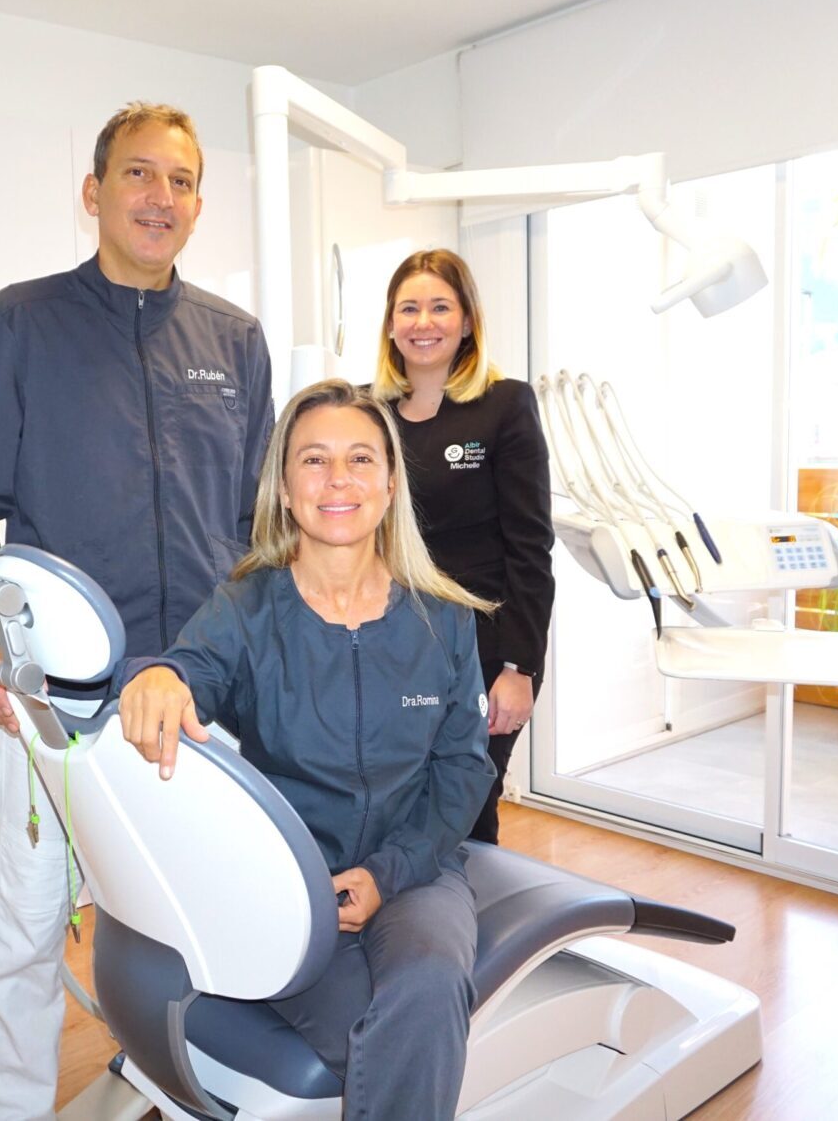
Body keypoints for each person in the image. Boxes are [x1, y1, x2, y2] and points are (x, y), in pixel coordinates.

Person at [0, 102, 274, 1121]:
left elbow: (259, 529)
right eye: (138, 173)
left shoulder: (234, 340)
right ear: (94, 192)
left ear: (198, 205)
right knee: (27, 933)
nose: (159, 197)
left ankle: (195, 1090)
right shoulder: (19, 324)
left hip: (201, 694)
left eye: (180, 181)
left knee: (210, 922)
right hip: (57, 705)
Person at [119, 379, 495, 1119]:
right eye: (315, 460)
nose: (338, 480)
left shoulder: (443, 618)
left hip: (416, 871)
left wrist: (388, 873)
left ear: (391, 483)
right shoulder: (246, 608)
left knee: (427, 988)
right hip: (288, 885)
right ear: (286, 489)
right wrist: (157, 675)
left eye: (360, 459)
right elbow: (191, 669)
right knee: (387, 1035)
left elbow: (463, 769)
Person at [371, 249, 555, 845]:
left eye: (440, 307)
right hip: (392, 641)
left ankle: (471, 904)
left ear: (468, 320)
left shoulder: (505, 405)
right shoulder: (368, 413)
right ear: (391, 324)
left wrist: (520, 668)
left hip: (484, 648)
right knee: (397, 802)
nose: (423, 322)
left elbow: (531, 547)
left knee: (467, 804)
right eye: (409, 309)